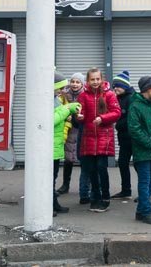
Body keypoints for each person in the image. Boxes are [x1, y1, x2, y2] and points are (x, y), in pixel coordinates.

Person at [77, 67, 121, 212]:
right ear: (88, 81)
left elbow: (116, 113)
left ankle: (105, 197)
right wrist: (79, 117)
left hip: (104, 136)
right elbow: (79, 112)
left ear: (101, 79)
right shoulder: (83, 96)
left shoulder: (109, 95)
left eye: (97, 79)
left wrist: (102, 118)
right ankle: (95, 196)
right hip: (88, 137)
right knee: (92, 169)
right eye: (92, 79)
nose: (95, 82)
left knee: (102, 168)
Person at [127, 76, 151, 225]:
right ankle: (146, 211)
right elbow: (134, 129)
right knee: (145, 181)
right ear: (148, 89)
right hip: (144, 152)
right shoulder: (136, 106)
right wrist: (150, 143)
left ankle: (141, 210)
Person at [52, 80, 81, 216]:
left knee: (53, 176)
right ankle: (47, 206)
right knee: (49, 178)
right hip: (51, 145)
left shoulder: (56, 100)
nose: (61, 91)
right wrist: (67, 109)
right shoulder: (48, 100)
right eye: (59, 88)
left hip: (56, 144)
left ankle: (53, 203)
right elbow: (52, 119)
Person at [56, 73, 86, 197]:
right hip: (67, 129)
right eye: (73, 81)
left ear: (82, 84)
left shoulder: (85, 95)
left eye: (77, 82)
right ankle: (65, 185)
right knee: (68, 159)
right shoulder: (64, 94)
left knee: (84, 159)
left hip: (80, 130)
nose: (74, 84)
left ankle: (85, 186)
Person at [110, 70, 134, 199]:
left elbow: (130, 119)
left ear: (124, 86)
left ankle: (143, 193)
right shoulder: (117, 98)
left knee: (138, 165)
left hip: (133, 138)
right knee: (123, 163)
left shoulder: (131, 98)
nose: (115, 89)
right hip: (124, 137)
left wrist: (117, 125)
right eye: (114, 86)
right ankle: (126, 190)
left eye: (118, 86)